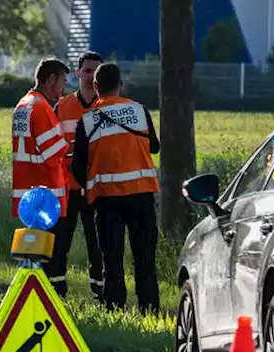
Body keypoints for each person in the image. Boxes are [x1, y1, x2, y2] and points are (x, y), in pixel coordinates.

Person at [71, 62, 161, 315]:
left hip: (107, 199)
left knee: (111, 261)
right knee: (145, 260)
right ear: (121, 85)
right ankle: (150, 310)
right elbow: (154, 146)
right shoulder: (139, 110)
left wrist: (91, 185)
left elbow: (77, 166)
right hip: (142, 195)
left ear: (96, 86)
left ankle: (115, 310)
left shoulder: (88, 120)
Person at [11, 57, 70, 290]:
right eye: (63, 81)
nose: (64, 88)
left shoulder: (23, 104)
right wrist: (72, 146)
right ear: (51, 79)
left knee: (33, 255)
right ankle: (52, 299)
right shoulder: (42, 107)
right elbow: (54, 153)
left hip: (28, 195)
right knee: (51, 258)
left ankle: (31, 293)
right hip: (47, 195)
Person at [52, 51, 104, 301]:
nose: (91, 76)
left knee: (99, 244)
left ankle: (100, 292)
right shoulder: (61, 107)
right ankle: (57, 292)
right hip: (68, 187)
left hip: (97, 187)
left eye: (96, 71)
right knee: (61, 241)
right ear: (78, 73)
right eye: (87, 71)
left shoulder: (108, 106)